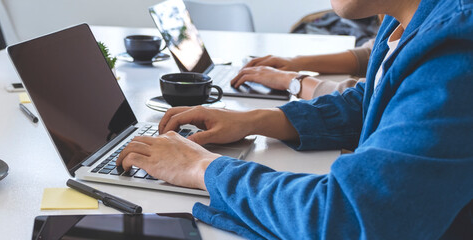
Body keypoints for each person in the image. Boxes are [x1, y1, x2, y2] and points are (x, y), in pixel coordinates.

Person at [117, 0, 473, 238]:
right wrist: (255, 120)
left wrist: (203, 169)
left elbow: (346, 215)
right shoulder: (409, 21)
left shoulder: (455, 52)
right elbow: (373, 100)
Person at [230, 39, 372, 100]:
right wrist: (295, 62)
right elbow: (371, 54)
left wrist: (291, 80)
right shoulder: (391, 22)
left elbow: (364, 99)